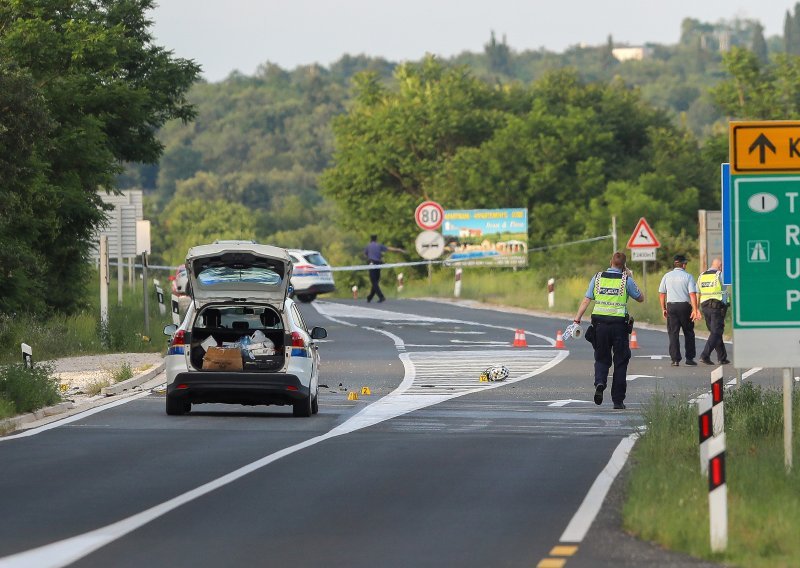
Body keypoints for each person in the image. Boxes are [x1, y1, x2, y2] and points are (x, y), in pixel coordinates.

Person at [573, 251, 644, 410]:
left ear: (610, 261)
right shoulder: (626, 280)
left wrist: (577, 319)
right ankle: (618, 401)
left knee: (601, 358)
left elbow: (586, 300)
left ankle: (600, 382)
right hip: (619, 326)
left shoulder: (597, 278)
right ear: (624, 266)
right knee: (621, 361)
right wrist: (631, 277)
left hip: (599, 325)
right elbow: (640, 298)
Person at [658, 254, 702, 367]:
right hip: (684, 307)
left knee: (673, 333)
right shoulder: (688, 276)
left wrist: (663, 308)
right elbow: (692, 294)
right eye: (685, 263)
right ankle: (689, 358)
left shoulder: (667, 276)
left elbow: (662, 293)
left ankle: (675, 359)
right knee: (688, 332)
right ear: (683, 264)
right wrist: (695, 309)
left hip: (671, 306)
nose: (686, 265)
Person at [697, 257, 731, 365]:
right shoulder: (719, 275)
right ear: (720, 266)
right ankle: (705, 355)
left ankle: (722, 357)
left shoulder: (701, 276)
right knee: (716, 332)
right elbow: (725, 290)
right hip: (716, 307)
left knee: (715, 332)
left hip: (705, 307)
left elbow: (697, 292)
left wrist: (696, 308)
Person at [363, 235, 405, 302]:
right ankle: (370, 297)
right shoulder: (379, 245)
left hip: (372, 264)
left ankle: (381, 297)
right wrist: (398, 249)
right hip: (379, 264)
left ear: (370, 239)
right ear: (376, 239)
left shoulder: (368, 246)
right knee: (376, 282)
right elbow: (389, 249)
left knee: (374, 281)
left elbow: (365, 255)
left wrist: (368, 258)